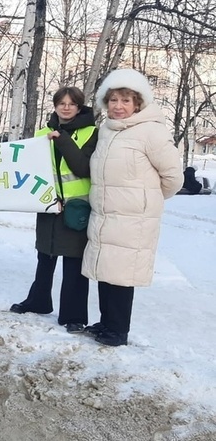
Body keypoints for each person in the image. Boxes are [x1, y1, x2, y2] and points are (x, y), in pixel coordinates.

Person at [82, 69, 183, 346]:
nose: (118, 106)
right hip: (106, 214)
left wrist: (145, 199)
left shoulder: (150, 131)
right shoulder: (107, 131)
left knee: (122, 275)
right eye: (113, 100)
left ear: (137, 103)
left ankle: (117, 330)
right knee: (106, 270)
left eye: (125, 100)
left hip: (132, 218)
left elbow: (174, 177)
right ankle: (107, 322)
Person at [10, 86, 98, 333]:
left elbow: (83, 168)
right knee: (45, 255)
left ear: (79, 107)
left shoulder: (92, 133)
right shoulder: (42, 133)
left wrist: (63, 140)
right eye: (62, 103)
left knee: (73, 261)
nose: (66, 107)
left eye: (72, 103)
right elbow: (30, 167)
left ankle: (74, 315)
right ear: (55, 105)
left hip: (76, 207)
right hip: (48, 204)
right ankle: (39, 300)